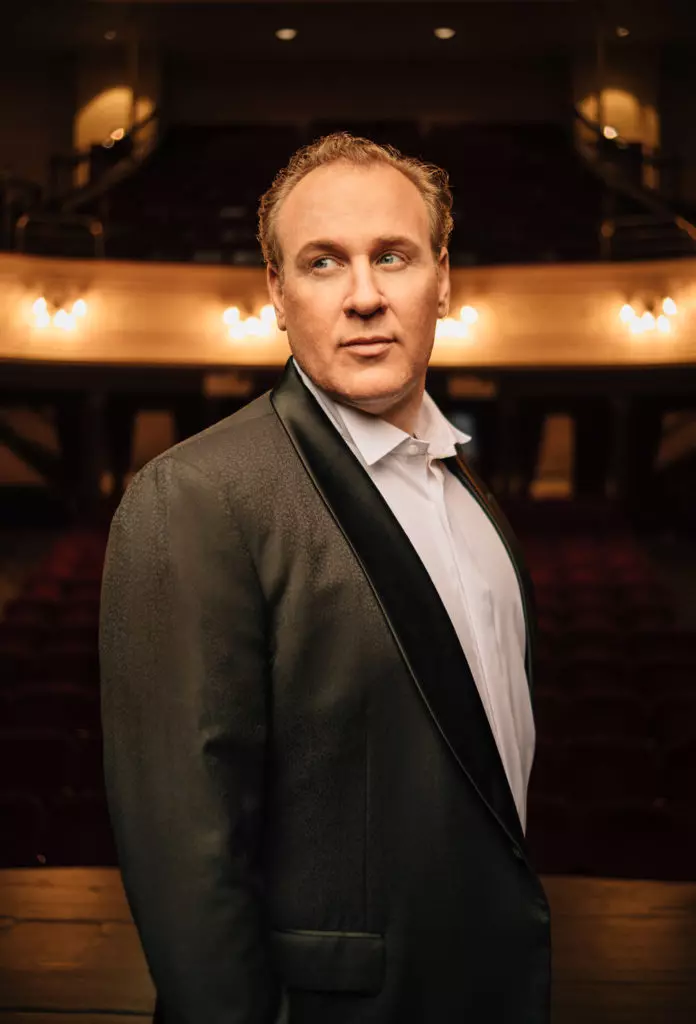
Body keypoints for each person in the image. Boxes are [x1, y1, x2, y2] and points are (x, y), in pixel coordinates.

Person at [99, 132, 551, 1024]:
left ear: (444, 278)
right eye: (322, 262)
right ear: (275, 291)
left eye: (393, 256)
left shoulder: (470, 497)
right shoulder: (193, 495)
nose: (365, 296)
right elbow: (187, 858)